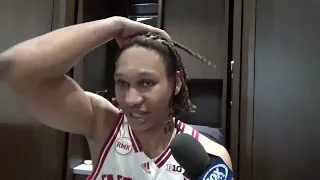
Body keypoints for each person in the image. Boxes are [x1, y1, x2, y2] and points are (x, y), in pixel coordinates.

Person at [0, 16, 232, 179]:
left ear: (176, 83)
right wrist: (113, 26)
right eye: (122, 83)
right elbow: (15, 70)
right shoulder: (103, 124)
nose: (130, 99)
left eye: (146, 83)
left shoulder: (210, 156)